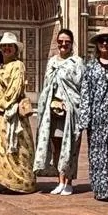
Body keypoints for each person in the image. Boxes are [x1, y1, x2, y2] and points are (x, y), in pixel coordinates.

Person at [77, 31, 108, 201]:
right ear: (97, 44)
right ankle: (102, 190)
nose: (105, 44)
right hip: (97, 118)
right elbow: (85, 93)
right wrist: (85, 119)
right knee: (98, 154)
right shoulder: (90, 66)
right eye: (101, 41)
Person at [33, 28, 84, 195]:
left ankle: (69, 181)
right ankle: (60, 181)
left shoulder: (77, 62)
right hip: (53, 111)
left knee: (70, 147)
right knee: (56, 146)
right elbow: (47, 85)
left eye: (67, 42)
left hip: (71, 111)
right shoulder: (52, 61)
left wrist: (72, 105)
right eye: (60, 42)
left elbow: (81, 87)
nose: (63, 45)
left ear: (72, 43)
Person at [0, 32, 37, 193]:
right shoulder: (2, 67)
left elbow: (14, 90)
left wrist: (0, 105)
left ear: (16, 49)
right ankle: (10, 182)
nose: (6, 49)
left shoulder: (18, 65)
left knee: (16, 146)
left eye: (10, 46)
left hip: (13, 112)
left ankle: (21, 183)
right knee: (5, 146)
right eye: (4, 46)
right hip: (4, 114)